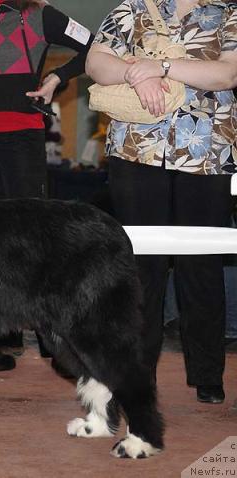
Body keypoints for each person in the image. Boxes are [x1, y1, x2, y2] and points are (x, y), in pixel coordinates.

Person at [86, 0, 237, 404]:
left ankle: (207, 374)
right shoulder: (131, 8)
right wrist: (137, 76)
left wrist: (161, 67)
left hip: (206, 152)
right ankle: (136, 377)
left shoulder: (227, 11)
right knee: (138, 269)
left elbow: (227, 73)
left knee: (201, 265)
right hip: (135, 151)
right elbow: (96, 62)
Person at [0, 0, 93, 369]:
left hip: (21, 138)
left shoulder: (42, 15)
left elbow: (94, 47)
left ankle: (52, 330)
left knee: (32, 238)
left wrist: (56, 78)